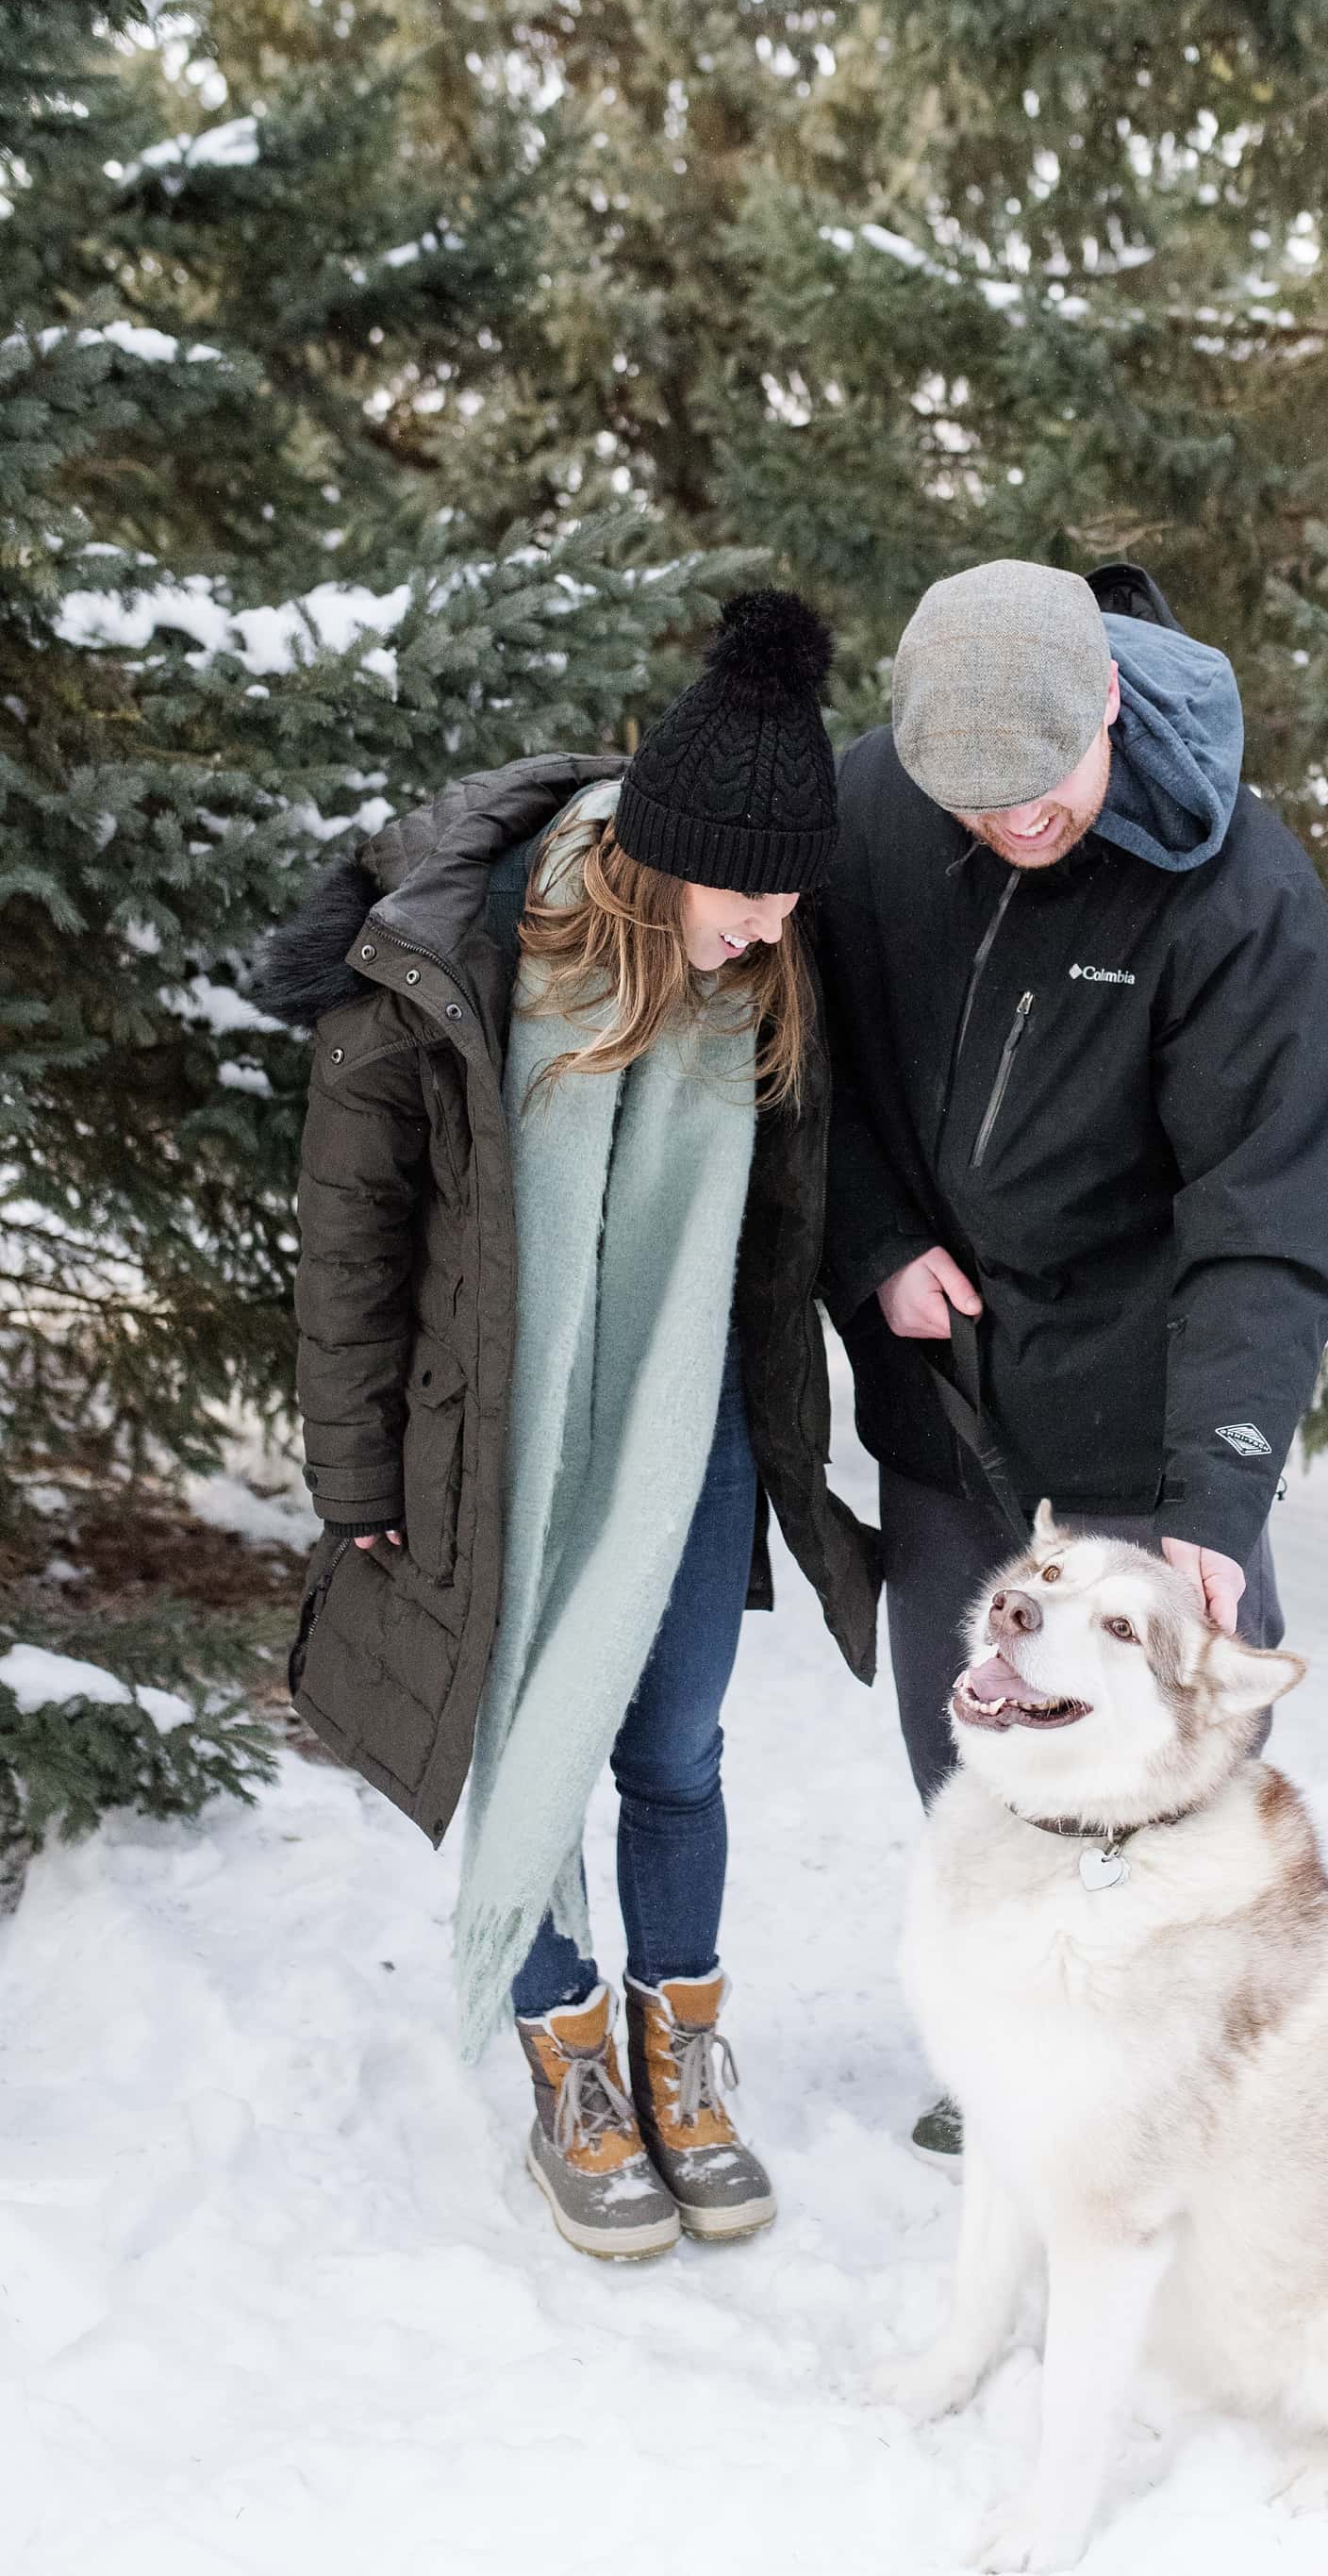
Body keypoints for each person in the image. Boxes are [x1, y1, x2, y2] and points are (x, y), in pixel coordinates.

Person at [257, 592, 877, 2257]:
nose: (774, 924)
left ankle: (680, 2056)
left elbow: (806, 1214)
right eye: (753, 893)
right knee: (527, 1730)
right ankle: (569, 2066)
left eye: (791, 895)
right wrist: (358, 1469)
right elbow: (353, 1236)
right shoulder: (446, 958)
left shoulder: (761, 979)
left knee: (673, 1750)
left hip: (690, 1437)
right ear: (663, 857)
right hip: (496, 1444)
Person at [816, 557, 1328, 2149]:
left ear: (1108, 699)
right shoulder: (876, 813)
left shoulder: (1236, 894)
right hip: (951, 1376)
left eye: (1041, 784)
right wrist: (865, 1242)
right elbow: (798, 1056)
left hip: (1144, 1392)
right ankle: (1013, 2041)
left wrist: (1218, 1499)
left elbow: (1265, 1216)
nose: (1012, 822)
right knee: (975, 1720)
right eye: (971, 798)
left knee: (1174, 1756)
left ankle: (1181, 2064)